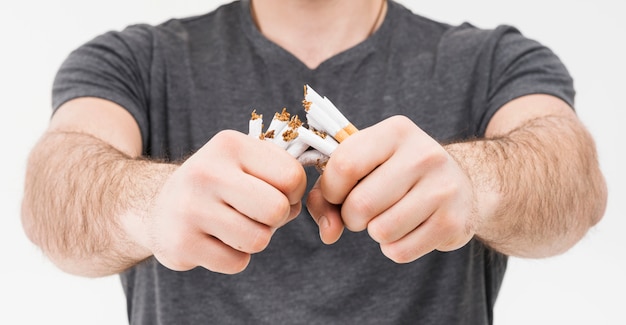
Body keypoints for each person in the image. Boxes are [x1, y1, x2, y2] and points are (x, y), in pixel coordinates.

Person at [21, 0, 607, 323]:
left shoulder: (494, 59)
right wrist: (149, 203)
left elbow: (577, 187)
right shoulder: (133, 59)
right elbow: (52, 193)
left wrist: (476, 183)